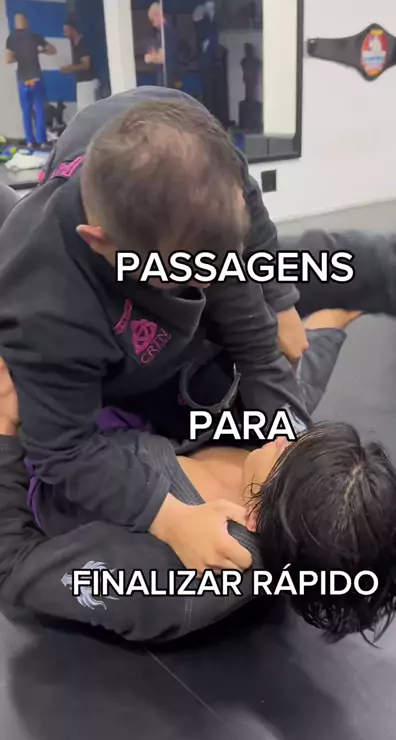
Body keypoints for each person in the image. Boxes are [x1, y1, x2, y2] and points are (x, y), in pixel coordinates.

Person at [0, 88, 310, 578]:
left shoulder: (197, 149)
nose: (208, 282)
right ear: (102, 242)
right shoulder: (48, 308)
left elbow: (255, 342)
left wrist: (279, 298)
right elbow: (62, 450)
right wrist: (170, 520)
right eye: (182, 272)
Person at [0, 309, 396, 644]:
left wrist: (5, 428)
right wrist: (336, 316)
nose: (285, 439)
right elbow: (298, 385)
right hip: (105, 411)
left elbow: (12, 566)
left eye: (290, 453)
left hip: (32, 465)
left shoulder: (167, 581)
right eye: (305, 442)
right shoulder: (283, 465)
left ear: (261, 517)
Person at [5, 13, 57, 150]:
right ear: (27, 22)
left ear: (16, 23)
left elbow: (8, 59)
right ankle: (43, 142)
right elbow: (53, 50)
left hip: (23, 80)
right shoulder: (35, 37)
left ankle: (30, 141)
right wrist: (39, 51)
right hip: (36, 78)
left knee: (26, 111)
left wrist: (19, 57)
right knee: (39, 110)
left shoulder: (11, 38)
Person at [61, 21, 98, 112]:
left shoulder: (83, 44)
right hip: (81, 82)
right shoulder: (74, 45)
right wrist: (68, 69)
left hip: (88, 82)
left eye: (66, 31)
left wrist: (69, 68)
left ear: (72, 29)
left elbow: (86, 65)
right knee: (83, 110)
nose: (65, 34)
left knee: (87, 111)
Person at [145, 2, 180, 89]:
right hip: (168, 78)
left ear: (157, 15)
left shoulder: (167, 33)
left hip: (168, 79)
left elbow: (164, 57)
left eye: (152, 20)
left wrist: (151, 58)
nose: (153, 24)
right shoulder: (163, 33)